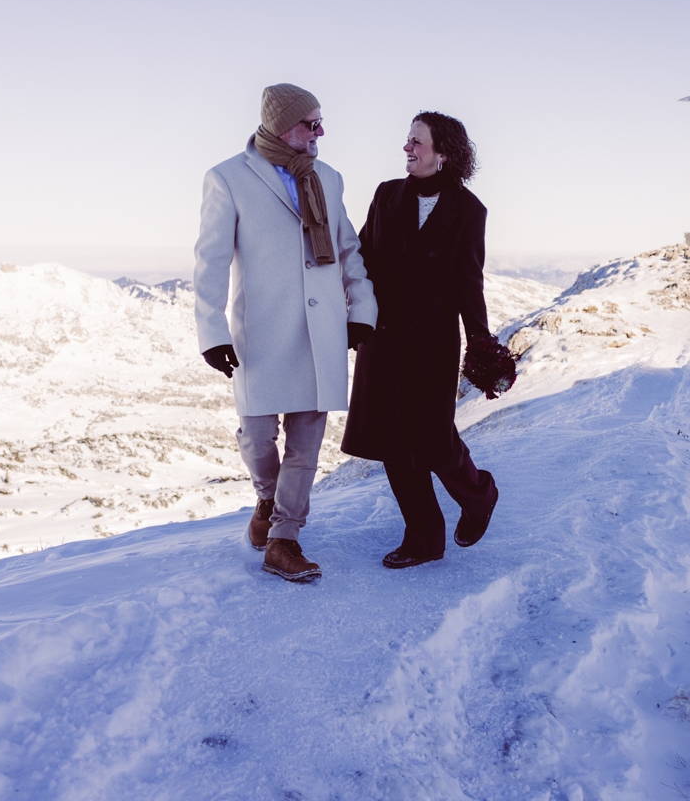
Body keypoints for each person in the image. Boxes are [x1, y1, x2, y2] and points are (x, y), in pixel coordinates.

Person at [194, 82, 378, 582]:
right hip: (261, 328)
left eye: (321, 121)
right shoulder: (229, 178)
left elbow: (347, 251)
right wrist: (211, 330)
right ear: (281, 126)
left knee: (306, 440)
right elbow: (209, 260)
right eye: (310, 123)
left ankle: (284, 538)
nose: (320, 132)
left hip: (319, 330)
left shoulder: (330, 178)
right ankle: (266, 499)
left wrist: (361, 308)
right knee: (256, 434)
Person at [342, 111, 501, 569]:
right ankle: (425, 537)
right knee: (393, 441)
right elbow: (363, 259)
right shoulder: (387, 195)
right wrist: (352, 315)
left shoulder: (469, 211)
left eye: (417, 141)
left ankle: (479, 494)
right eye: (407, 140)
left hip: (432, 342)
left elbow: (469, 282)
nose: (407, 148)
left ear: (443, 154)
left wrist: (480, 341)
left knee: (433, 439)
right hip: (384, 337)